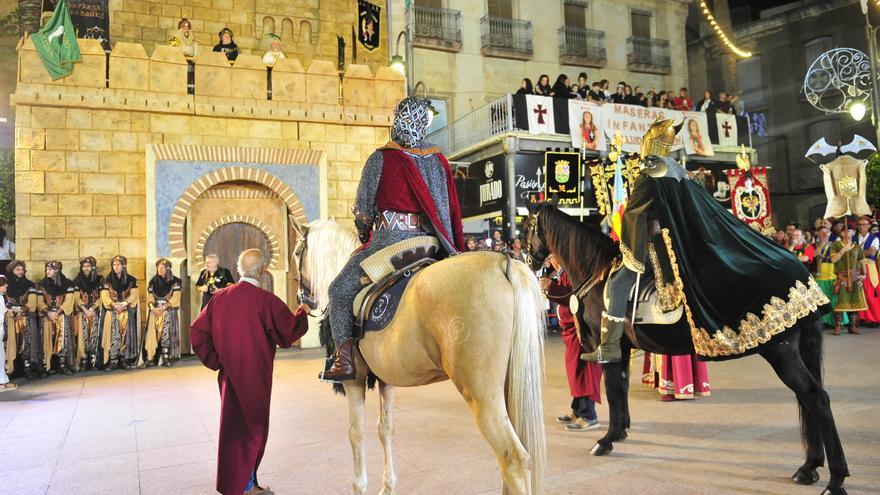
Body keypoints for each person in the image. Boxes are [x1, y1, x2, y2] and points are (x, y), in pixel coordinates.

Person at [597, 119, 828, 365]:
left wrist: (631, 251)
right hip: (687, 247)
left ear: (649, 143)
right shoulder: (677, 171)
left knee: (618, 284)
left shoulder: (649, 173)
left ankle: (610, 347)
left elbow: (634, 216)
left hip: (663, 251)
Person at [322, 96, 464, 382]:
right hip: (432, 244)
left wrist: (364, 233)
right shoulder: (438, 161)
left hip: (390, 243)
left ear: (397, 118)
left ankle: (344, 360)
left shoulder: (381, 158)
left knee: (338, 291)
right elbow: (449, 206)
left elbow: (363, 210)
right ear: (424, 124)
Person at [191, 249, 310, 495]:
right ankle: (244, 487)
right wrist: (302, 313)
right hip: (256, 377)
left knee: (233, 428)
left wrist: (217, 361)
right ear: (264, 271)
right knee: (253, 428)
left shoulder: (221, 297)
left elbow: (197, 331)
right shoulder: (266, 301)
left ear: (238, 269)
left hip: (229, 375)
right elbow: (288, 334)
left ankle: (246, 484)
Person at [541, 254, 602, 431]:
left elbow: (572, 297)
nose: (554, 260)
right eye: (551, 257)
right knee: (575, 372)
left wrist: (551, 287)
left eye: (556, 255)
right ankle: (577, 409)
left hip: (581, 330)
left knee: (584, 372)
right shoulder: (562, 272)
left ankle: (589, 415)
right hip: (570, 331)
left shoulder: (574, 270)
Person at [100, 255, 141, 370]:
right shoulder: (106, 281)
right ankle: (113, 360)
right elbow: (105, 296)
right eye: (114, 265)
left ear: (123, 266)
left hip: (126, 311)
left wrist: (123, 304)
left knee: (126, 335)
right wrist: (114, 305)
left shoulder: (131, 280)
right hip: (112, 311)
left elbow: (133, 295)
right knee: (113, 335)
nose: (116, 267)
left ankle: (124, 359)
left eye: (118, 264)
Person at [36, 261, 76, 375]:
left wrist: (57, 312)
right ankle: (47, 366)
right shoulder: (42, 284)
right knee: (46, 340)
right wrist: (48, 312)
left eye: (50, 269)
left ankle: (62, 365)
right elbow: (39, 302)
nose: (47, 271)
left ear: (57, 271)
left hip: (61, 316)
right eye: (46, 269)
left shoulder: (67, 284)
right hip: (47, 316)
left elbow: (69, 301)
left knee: (62, 340)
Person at [4, 261, 39, 378]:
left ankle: (27, 368)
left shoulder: (29, 285)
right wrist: (11, 313)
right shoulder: (5, 286)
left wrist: (22, 311)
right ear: (11, 271)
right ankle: (10, 369)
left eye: (22, 270)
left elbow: (32, 304)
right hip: (9, 320)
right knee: (10, 345)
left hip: (25, 319)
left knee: (26, 344)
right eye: (17, 270)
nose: (20, 272)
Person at [144, 259, 182, 367]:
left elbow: (176, 298)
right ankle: (151, 357)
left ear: (168, 269)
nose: (160, 269)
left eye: (163, 267)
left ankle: (165, 357)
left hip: (168, 311)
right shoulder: (153, 281)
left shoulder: (175, 282)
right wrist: (152, 307)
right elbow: (150, 297)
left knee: (166, 333)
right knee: (152, 334)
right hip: (155, 312)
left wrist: (164, 307)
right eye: (158, 267)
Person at [830, 229, 867, 335]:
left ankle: (853, 326)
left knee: (854, 302)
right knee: (841, 302)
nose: (846, 233)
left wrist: (864, 275)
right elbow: (833, 260)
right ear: (841, 233)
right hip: (842, 277)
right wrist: (843, 250)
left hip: (855, 277)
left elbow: (862, 262)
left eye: (849, 231)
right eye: (844, 231)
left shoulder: (857, 247)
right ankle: (838, 326)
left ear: (853, 233)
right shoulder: (836, 245)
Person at [73, 256, 103, 371]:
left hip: (95, 311)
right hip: (82, 312)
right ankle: (84, 359)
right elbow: (76, 298)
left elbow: (102, 296)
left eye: (88, 266)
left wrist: (93, 308)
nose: (86, 268)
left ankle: (94, 359)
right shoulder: (77, 281)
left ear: (92, 268)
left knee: (95, 334)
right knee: (83, 336)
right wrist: (85, 310)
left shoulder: (99, 280)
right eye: (84, 266)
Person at [814, 225, 847, 328]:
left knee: (834, 301)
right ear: (817, 234)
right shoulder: (813, 245)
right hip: (818, 278)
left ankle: (837, 323)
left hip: (832, 276)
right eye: (822, 233)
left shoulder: (834, 245)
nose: (824, 234)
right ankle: (823, 322)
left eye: (826, 232)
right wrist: (822, 243)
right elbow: (815, 255)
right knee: (820, 302)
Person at [855, 217, 880, 327]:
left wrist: (855, 252)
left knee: (870, 294)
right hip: (857, 267)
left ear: (869, 226)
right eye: (859, 224)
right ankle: (862, 318)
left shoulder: (875, 238)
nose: (862, 226)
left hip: (870, 268)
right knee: (859, 293)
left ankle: (874, 318)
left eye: (864, 224)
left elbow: (871, 252)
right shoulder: (853, 238)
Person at [0, 275, 18, 390]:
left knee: (1, 356)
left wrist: (10, 312)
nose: (6, 285)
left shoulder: (1, 298)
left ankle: (3, 381)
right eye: (4, 284)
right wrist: (6, 315)